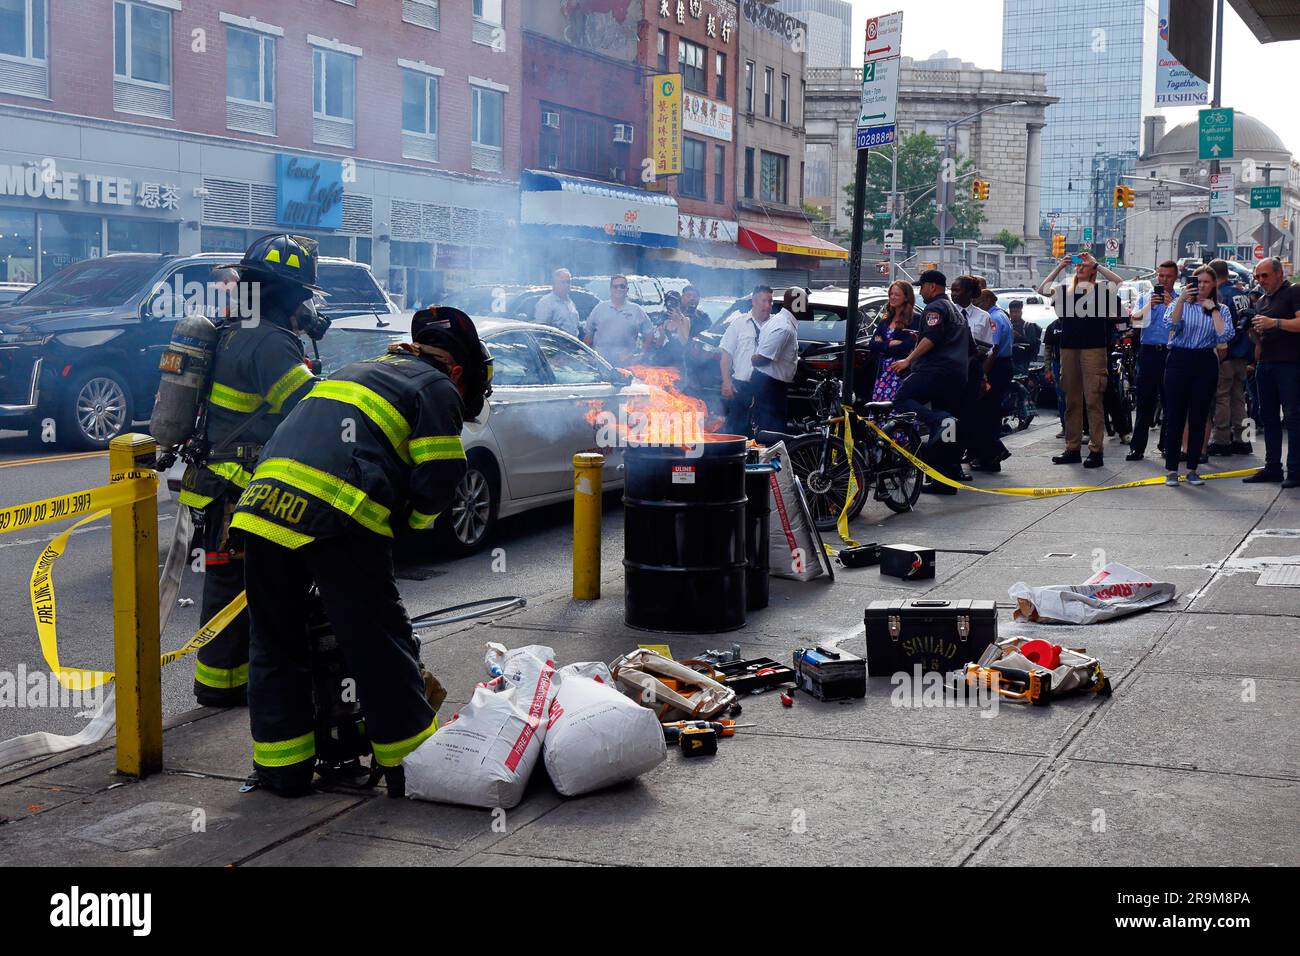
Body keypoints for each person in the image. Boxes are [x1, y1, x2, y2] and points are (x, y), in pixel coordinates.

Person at [230, 307, 493, 797]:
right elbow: (439, 474)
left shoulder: (354, 372)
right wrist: (412, 524)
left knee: (275, 642)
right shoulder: (435, 387)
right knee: (378, 643)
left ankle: (282, 771)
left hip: (259, 509)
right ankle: (410, 765)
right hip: (336, 517)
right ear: (457, 371)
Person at [176, 236, 325, 708]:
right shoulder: (270, 341)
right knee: (253, 591)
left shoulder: (239, 327)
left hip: (217, 485)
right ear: (287, 294)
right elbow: (305, 406)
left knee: (226, 589)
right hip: (241, 488)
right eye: (302, 296)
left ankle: (220, 684)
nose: (307, 306)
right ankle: (228, 687)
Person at [1038, 251, 1126, 468]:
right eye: (1078, 266)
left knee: (1093, 400)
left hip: (1093, 349)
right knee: (1072, 401)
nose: (1080, 267)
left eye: (1084, 266)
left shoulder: (1100, 290)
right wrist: (1060, 266)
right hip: (1069, 349)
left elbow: (1118, 281)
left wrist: (1096, 264)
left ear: (1093, 271)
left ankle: (1096, 450)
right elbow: (1042, 289)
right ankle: (1072, 447)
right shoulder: (1065, 290)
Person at [890, 270, 969, 495]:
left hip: (936, 371)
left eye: (922, 286)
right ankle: (947, 476)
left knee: (902, 400)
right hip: (956, 374)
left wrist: (908, 359)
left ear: (932, 286)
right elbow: (971, 346)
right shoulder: (956, 311)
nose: (920, 291)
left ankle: (937, 420)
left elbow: (932, 338)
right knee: (949, 427)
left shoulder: (935, 308)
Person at [1162, 266, 1234, 486]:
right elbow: (1171, 325)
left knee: (1199, 416)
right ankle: (1172, 470)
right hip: (1179, 359)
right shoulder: (1179, 303)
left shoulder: (1221, 309)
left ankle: (1192, 468)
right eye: (1198, 281)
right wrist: (1182, 300)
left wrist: (1212, 311)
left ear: (1213, 285)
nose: (1201, 285)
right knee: (1175, 415)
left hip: (1204, 361)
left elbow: (1226, 334)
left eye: (1206, 282)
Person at [1244, 257, 1300, 487]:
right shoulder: (1262, 300)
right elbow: (1259, 336)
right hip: (1265, 364)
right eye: (1257, 276)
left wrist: (1274, 322)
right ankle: (1272, 467)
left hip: (1289, 364)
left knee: (1293, 417)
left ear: (1279, 273)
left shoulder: (1293, 292)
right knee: (1268, 418)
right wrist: (1253, 329)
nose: (1261, 280)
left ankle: (1296, 470)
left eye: (1265, 275)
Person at [1126, 260, 1179, 461]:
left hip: (1170, 353)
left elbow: (1179, 323)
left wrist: (1170, 305)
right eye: (1161, 276)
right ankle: (1137, 447)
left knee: (1170, 401)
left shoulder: (1179, 300)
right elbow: (1136, 319)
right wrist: (1151, 304)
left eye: (1168, 276)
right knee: (1144, 400)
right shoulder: (1145, 297)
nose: (1164, 280)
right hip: (1148, 353)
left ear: (1175, 278)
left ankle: (1166, 444)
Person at [1207, 259, 1255, 456]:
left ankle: (1221, 440)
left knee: (1222, 398)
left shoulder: (1220, 296)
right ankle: (1244, 440)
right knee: (1239, 399)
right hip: (1242, 355)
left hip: (1226, 354)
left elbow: (1221, 329)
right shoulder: (1241, 294)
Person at [973, 287, 1015, 472]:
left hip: (996, 367)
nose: (976, 304)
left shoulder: (994, 318)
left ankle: (994, 453)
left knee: (985, 414)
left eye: (979, 302)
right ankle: (988, 455)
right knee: (988, 414)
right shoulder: (999, 314)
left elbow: (993, 349)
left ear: (988, 300)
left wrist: (983, 374)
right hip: (1001, 365)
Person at [749, 286, 799, 433]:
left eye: (770, 301)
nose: (768, 305)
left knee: (770, 427)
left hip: (770, 383)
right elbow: (763, 359)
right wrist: (752, 358)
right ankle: (770, 455)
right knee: (772, 430)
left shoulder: (779, 320)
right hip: (769, 385)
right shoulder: (784, 327)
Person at [719, 296, 765, 436]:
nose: (767, 305)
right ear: (754, 302)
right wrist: (726, 381)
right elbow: (726, 354)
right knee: (736, 430)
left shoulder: (775, 324)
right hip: (741, 385)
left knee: (763, 432)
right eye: (763, 301)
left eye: (770, 301)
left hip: (765, 387)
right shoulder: (738, 323)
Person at [867, 280, 918, 402]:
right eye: (891, 294)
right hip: (883, 371)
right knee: (878, 408)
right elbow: (872, 344)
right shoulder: (886, 319)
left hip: (900, 372)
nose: (892, 297)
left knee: (896, 407)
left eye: (897, 294)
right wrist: (890, 343)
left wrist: (882, 344)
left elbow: (907, 347)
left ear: (906, 297)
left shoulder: (915, 319)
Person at [585, 275, 650, 368]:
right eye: (615, 286)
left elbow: (649, 334)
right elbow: (588, 335)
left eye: (622, 286)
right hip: (600, 363)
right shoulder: (599, 308)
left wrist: (641, 354)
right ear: (611, 289)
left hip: (625, 365)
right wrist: (589, 356)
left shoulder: (636, 310)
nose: (618, 289)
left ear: (627, 290)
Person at [533, 267, 581, 338]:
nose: (566, 285)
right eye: (563, 282)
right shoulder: (546, 302)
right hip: (556, 346)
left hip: (573, 345)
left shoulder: (570, 302)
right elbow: (541, 330)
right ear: (554, 284)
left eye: (568, 282)